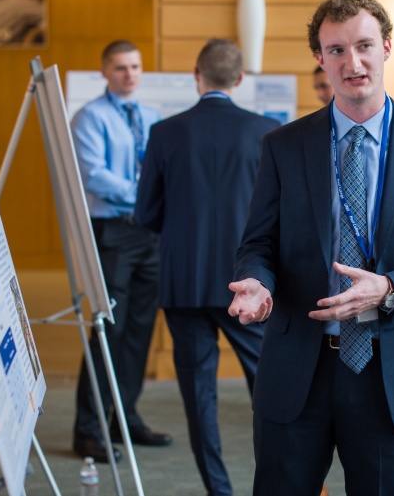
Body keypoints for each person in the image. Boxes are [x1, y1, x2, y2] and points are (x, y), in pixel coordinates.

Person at [228, 0, 394, 495]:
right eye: (336, 50)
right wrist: (256, 282)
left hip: (393, 371)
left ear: (386, 47)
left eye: (364, 46)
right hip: (300, 368)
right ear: (320, 58)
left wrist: (388, 288)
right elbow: (260, 243)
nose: (352, 62)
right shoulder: (283, 146)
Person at [135, 38, 280, 495]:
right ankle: (278, 481)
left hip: (184, 282)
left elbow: (145, 214)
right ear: (239, 80)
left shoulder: (164, 132)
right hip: (247, 283)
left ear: (195, 75)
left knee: (199, 397)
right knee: (269, 390)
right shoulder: (266, 131)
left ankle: (219, 490)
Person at [70, 39, 172, 463]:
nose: (128, 74)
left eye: (134, 66)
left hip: (150, 234)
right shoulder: (90, 117)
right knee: (108, 330)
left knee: (140, 331)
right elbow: (95, 176)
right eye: (119, 68)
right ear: (104, 71)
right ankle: (88, 430)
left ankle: (124, 418)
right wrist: (144, 196)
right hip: (112, 231)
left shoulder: (152, 118)